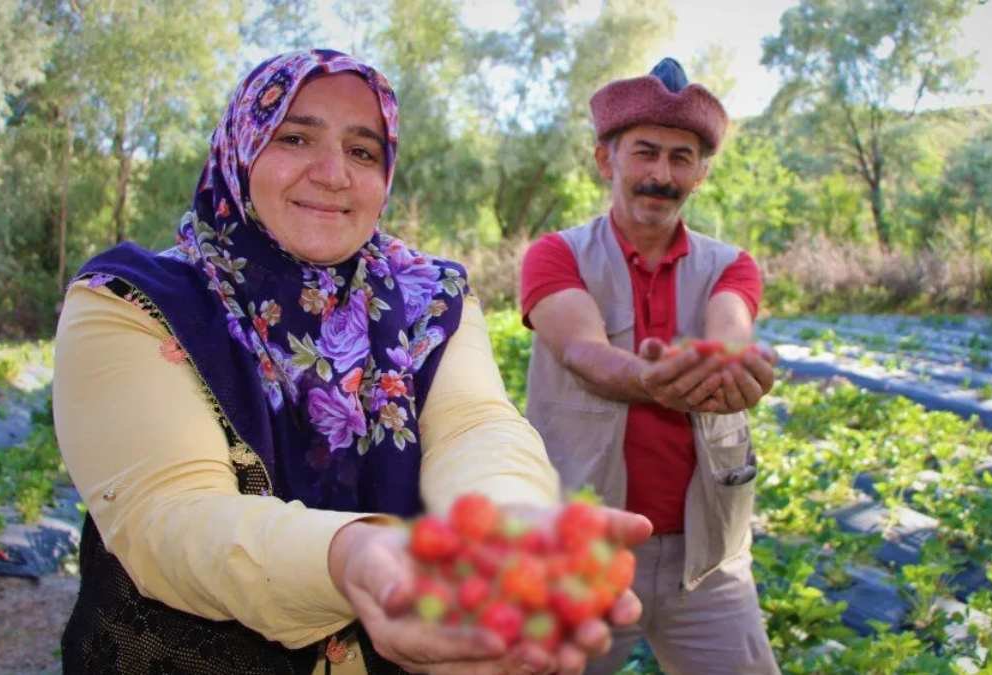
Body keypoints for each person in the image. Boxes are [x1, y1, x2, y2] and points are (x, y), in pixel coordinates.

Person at [53, 49, 650, 675]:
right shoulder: (132, 300)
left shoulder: (428, 296)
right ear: (240, 146)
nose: (334, 172)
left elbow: (477, 425)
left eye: (363, 151)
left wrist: (503, 521)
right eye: (294, 137)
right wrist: (349, 555)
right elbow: (172, 516)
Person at [520, 57, 780, 675]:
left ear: (701, 175)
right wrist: (653, 379)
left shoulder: (731, 266)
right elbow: (584, 352)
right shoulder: (555, 256)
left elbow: (728, 339)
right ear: (606, 160)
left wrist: (728, 369)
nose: (661, 175)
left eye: (681, 158)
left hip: (707, 560)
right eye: (646, 153)